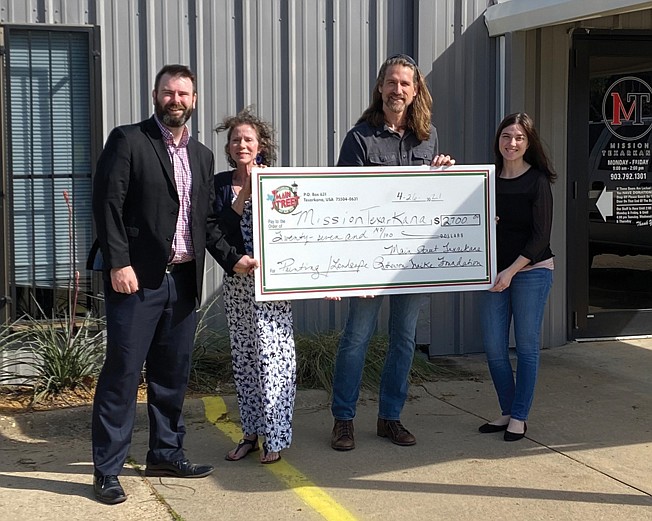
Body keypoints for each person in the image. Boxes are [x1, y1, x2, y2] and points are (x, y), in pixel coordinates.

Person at [89, 64, 258, 505]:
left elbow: (205, 222)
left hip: (183, 281)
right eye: (169, 92)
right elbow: (106, 204)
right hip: (136, 282)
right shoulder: (128, 140)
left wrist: (235, 259)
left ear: (194, 100)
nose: (176, 100)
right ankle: (107, 469)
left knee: (171, 376)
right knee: (123, 376)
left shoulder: (201, 156)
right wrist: (118, 263)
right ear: (155, 95)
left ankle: (165, 452)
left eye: (184, 94)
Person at [330, 54, 455, 451]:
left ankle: (390, 417)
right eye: (390, 83)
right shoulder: (360, 138)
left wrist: (443, 173)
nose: (396, 90)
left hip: (411, 261)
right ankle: (343, 420)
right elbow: (343, 201)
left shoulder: (428, 137)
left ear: (415, 90)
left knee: (404, 339)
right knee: (357, 338)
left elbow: (430, 198)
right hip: (368, 262)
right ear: (380, 88)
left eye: (404, 84)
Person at [213, 108, 296, 464]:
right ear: (229, 147)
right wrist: (243, 194)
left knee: (274, 361)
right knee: (246, 360)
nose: (241, 144)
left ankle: (275, 438)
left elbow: (298, 233)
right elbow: (218, 231)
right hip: (238, 285)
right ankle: (250, 433)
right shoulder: (219, 183)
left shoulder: (279, 182)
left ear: (260, 144)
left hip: (274, 288)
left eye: (248, 138)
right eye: (235, 139)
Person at [477, 112, 555, 442]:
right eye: (507, 136)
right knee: (494, 348)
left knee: (525, 348)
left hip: (531, 272)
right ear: (498, 140)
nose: (512, 142)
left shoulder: (537, 181)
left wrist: (510, 272)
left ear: (528, 143)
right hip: (492, 275)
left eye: (519, 137)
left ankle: (520, 416)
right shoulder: (486, 179)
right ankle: (507, 410)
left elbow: (540, 238)